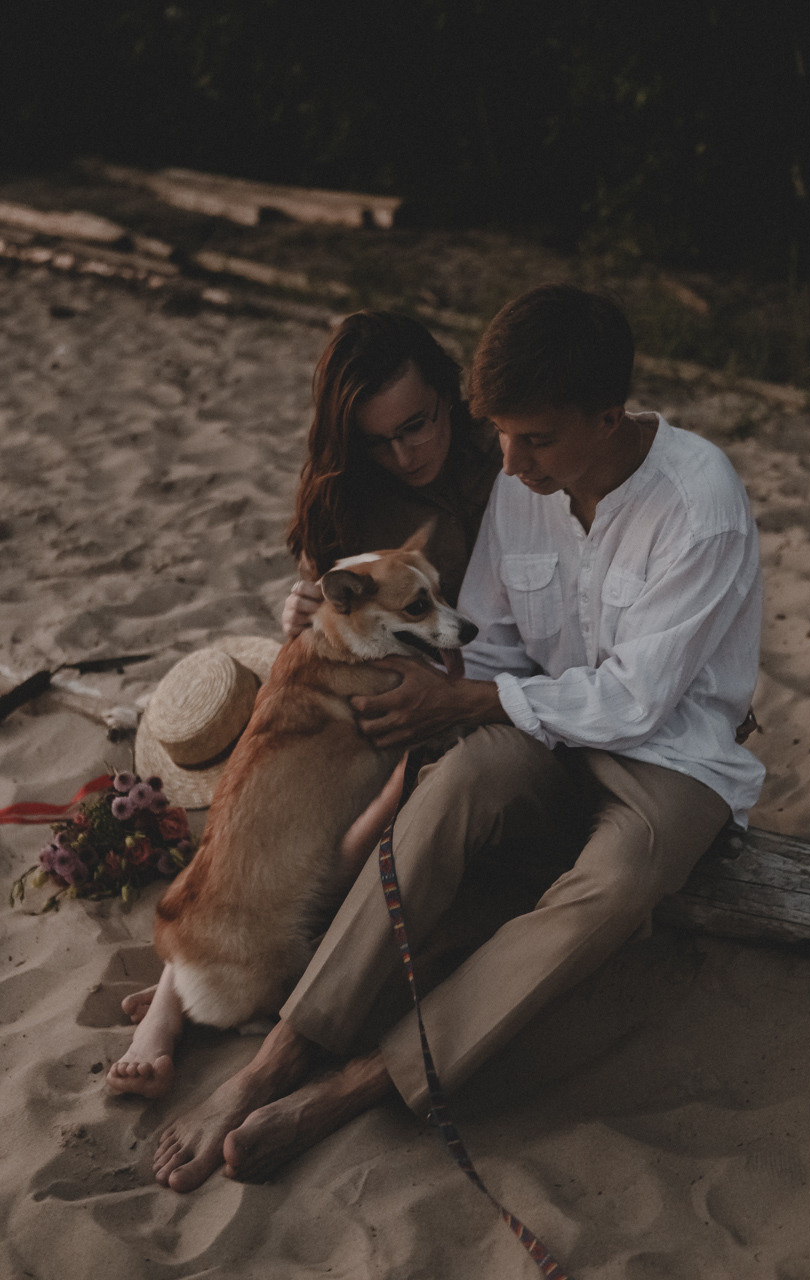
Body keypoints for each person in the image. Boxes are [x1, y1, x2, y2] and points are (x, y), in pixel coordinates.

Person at [149, 283, 765, 1193]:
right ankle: (276, 1058)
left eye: (533, 440)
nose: (506, 465)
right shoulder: (527, 480)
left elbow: (637, 702)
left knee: (618, 882)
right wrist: (428, 690)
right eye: (501, 436)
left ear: (610, 416)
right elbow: (496, 638)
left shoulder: (698, 503)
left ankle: (361, 1083)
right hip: (534, 721)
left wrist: (473, 705)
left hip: (670, 755)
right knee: (455, 790)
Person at [106, 311, 501, 1098]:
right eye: (376, 441)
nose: (403, 454)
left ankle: (174, 1002)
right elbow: (339, 611)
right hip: (365, 698)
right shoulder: (347, 494)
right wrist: (299, 614)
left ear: (449, 396)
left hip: (469, 687)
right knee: (271, 838)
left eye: (417, 426)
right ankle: (180, 1002)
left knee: (341, 833)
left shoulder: (507, 454)